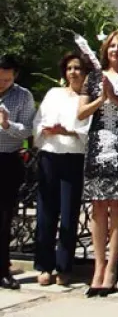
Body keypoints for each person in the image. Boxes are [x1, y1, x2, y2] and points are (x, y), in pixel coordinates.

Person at [77, 30, 118, 296]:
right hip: (97, 147)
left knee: (117, 206)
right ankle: (98, 266)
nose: (116, 50)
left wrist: (114, 97)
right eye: (112, 46)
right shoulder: (92, 78)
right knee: (97, 208)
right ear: (105, 50)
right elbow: (80, 113)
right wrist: (101, 99)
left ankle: (113, 266)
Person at [32, 52, 91, 286]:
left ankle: (64, 266)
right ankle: (44, 265)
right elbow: (38, 120)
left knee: (68, 214)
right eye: (69, 68)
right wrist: (45, 130)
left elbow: (89, 130)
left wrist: (68, 131)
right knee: (45, 213)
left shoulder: (89, 98)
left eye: (77, 68)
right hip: (49, 155)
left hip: (73, 157)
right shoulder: (53, 94)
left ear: (85, 73)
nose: (73, 72)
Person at [0, 54, 35, 290]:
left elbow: (28, 130)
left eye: (6, 79)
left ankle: (3, 269)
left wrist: (7, 125)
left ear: (15, 76)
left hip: (6, 161)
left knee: (4, 218)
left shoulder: (23, 96)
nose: (2, 83)